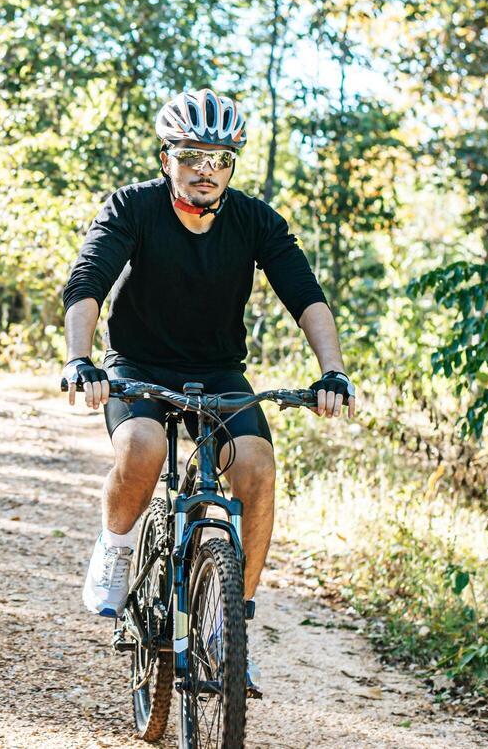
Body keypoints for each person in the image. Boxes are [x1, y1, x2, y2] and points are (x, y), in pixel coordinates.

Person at [60, 88, 355, 694]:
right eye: (193, 156)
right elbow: (88, 281)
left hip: (220, 373)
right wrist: (79, 359)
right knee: (141, 447)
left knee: (258, 466)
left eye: (220, 158)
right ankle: (116, 549)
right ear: (166, 156)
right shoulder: (132, 209)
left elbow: (306, 296)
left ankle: (229, 626)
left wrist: (333, 372)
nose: (206, 170)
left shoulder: (254, 221)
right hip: (137, 365)